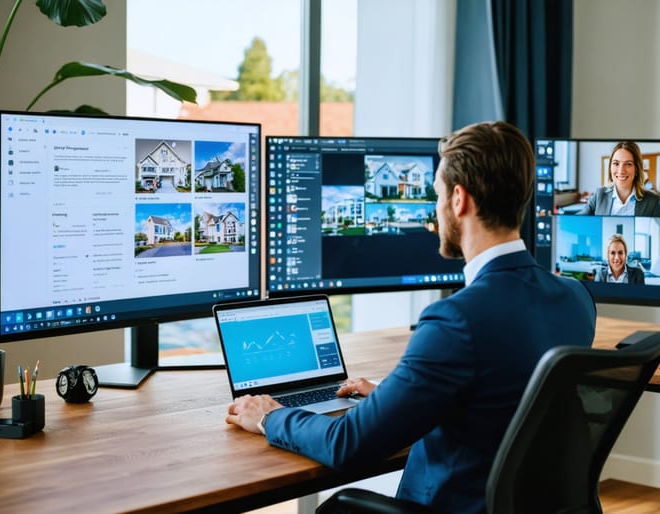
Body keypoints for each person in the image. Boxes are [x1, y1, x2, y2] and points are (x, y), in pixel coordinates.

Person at [225, 121, 597, 514]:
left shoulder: (455, 320)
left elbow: (347, 444)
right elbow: (500, 393)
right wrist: (395, 395)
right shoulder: (575, 297)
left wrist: (271, 416)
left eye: (435, 195)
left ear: (458, 200)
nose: (434, 209)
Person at [578, 141, 660, 216]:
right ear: (610, 167)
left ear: (637, 169)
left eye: (628, 164)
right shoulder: (600, 195)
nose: (621, 171)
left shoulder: (652, 201)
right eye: (616, 163)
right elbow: (575, 221)